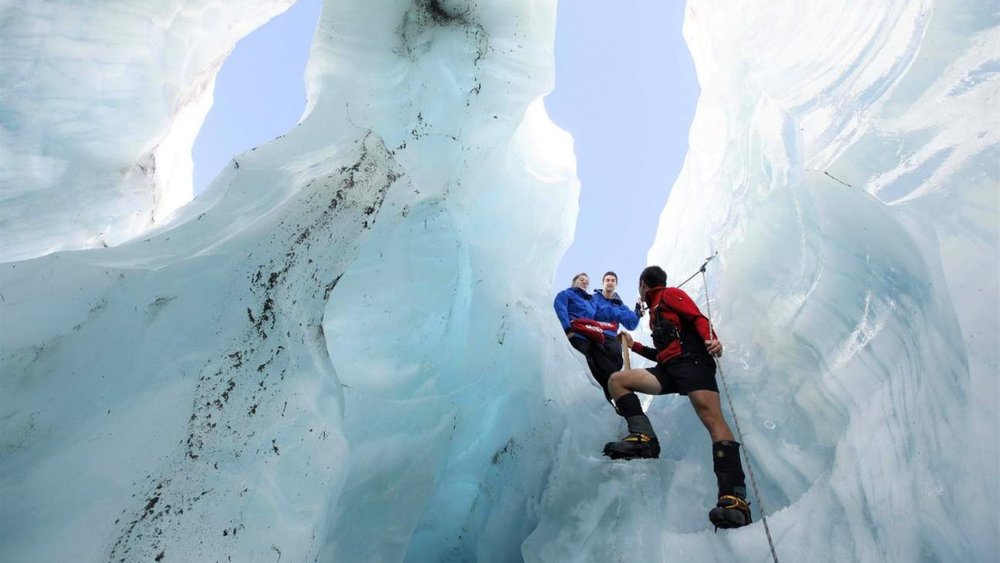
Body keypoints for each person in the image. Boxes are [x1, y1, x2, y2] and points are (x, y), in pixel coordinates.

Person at [603, 265, 752, 530]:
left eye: (639, 287)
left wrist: (712, 340)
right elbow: (663, 354)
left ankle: (734, 499)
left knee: (712, 419)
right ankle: (645, 440)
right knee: (618, 381)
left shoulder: (670, 294)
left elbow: (697, 318)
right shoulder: (655, 312)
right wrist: (635, 346)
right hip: (669, 369)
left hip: (692, 362)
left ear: (643, 285)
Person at [553, 272, 637, 403]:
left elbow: (626, 320)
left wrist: (636, 313)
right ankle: (586, 396)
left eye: (587, 282)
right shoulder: (574, 295)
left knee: (606, 365)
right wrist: (566, 327)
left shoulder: (591, 302)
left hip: (592, 336)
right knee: (585, 365)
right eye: (582, 280)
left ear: (616, 284)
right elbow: (561, 308)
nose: (585, 282)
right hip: (577, 334)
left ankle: (609, 396)